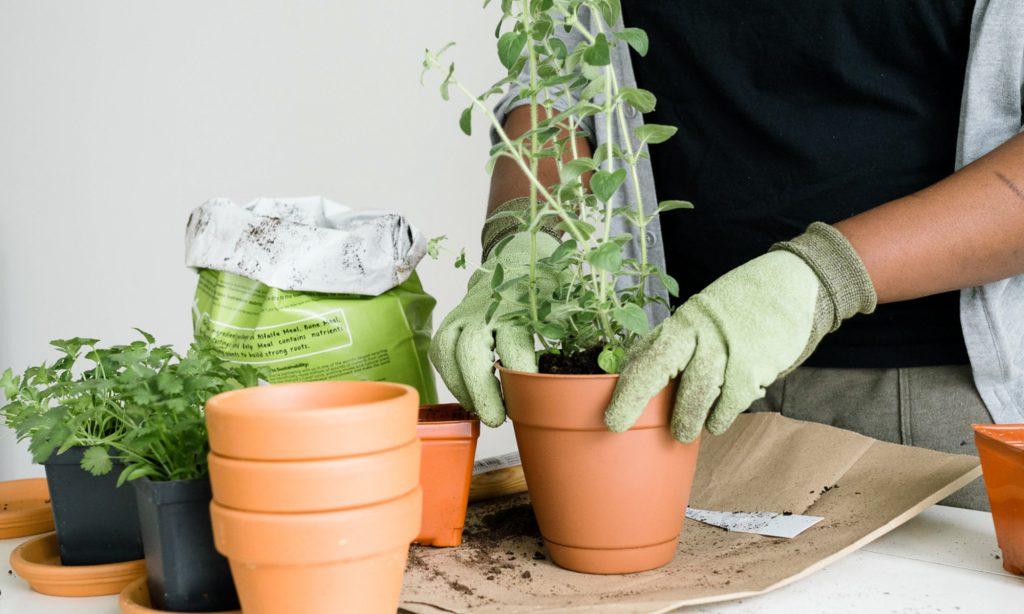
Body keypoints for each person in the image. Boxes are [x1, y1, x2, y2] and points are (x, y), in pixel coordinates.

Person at [430, 0, 1024, 510]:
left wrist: (822, 277)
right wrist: (523, 249)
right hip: (672, 382)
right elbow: (557, 83)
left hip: (939, 402)